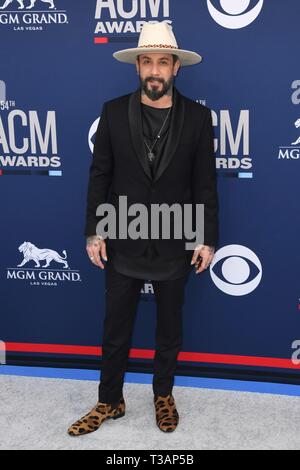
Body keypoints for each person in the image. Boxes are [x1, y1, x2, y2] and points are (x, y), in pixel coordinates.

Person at [68, 21, 219, 436]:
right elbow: (100, 175)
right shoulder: (113, 111)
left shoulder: (198, 117)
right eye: (147, 61)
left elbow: (205, 183)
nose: (155, 70)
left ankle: (163, 395)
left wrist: (206, 238)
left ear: (176, 68)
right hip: (122, 235)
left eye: (163, 62)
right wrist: (94, 232)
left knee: (169, 327)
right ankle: (109, 400)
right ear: (137, 67)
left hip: (175, 237)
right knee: (116, 327)